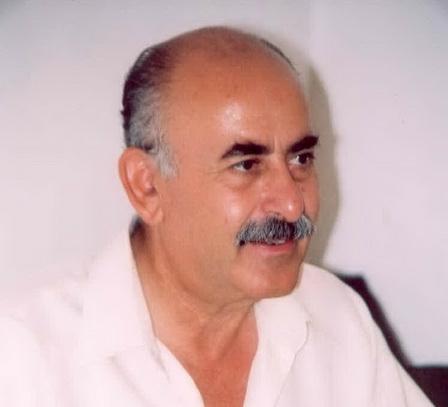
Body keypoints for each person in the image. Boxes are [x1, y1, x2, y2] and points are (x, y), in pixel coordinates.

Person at [0, 27, 432, 407]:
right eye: (246, 165)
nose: (292, 204)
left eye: (301, 158)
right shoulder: (22, 353)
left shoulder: (334, 315)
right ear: (147, 186)